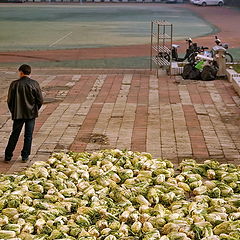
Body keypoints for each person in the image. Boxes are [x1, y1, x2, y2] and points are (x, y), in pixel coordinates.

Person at [4, 64, 43, 162]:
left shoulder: (14, 84)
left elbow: (9, 101)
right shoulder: (34, 83)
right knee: (28, 135)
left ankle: (8, 155)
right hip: (31, 114)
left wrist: (14, 110)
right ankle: (25, 156)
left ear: (21, 72)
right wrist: (35, 109)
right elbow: (40, 100)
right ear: (30, 73)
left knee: (14, 135)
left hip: (18, 114)